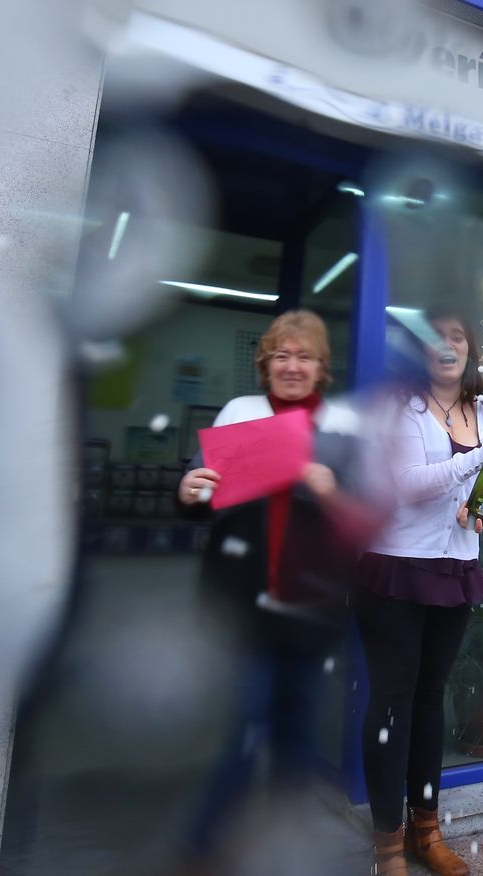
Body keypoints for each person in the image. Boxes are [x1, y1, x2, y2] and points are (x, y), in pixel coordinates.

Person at [173, 309, 365, 874]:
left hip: (309, 612)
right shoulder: (242, 412)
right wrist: (187, 488)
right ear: (265, 363)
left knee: (296, 742)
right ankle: (204, 849)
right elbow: (198, 491)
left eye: (304, 356)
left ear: (321, 367)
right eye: (281, 355)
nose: (292, 365)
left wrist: (333, 492)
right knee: (242, 731)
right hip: (243, 609)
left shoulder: (344, 425)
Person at [358, 310, 483, 876]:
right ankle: (386, 848)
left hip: (454, 567)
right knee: (393, 702)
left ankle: (427, 830)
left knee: (429, 701)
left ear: (469, 351)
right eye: (436, 337)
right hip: (397, 569)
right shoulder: (403, 407)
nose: (447, 346)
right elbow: (408, 485)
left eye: (458, 336)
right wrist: (476, 456)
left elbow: (478, 491)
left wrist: (481, 511)